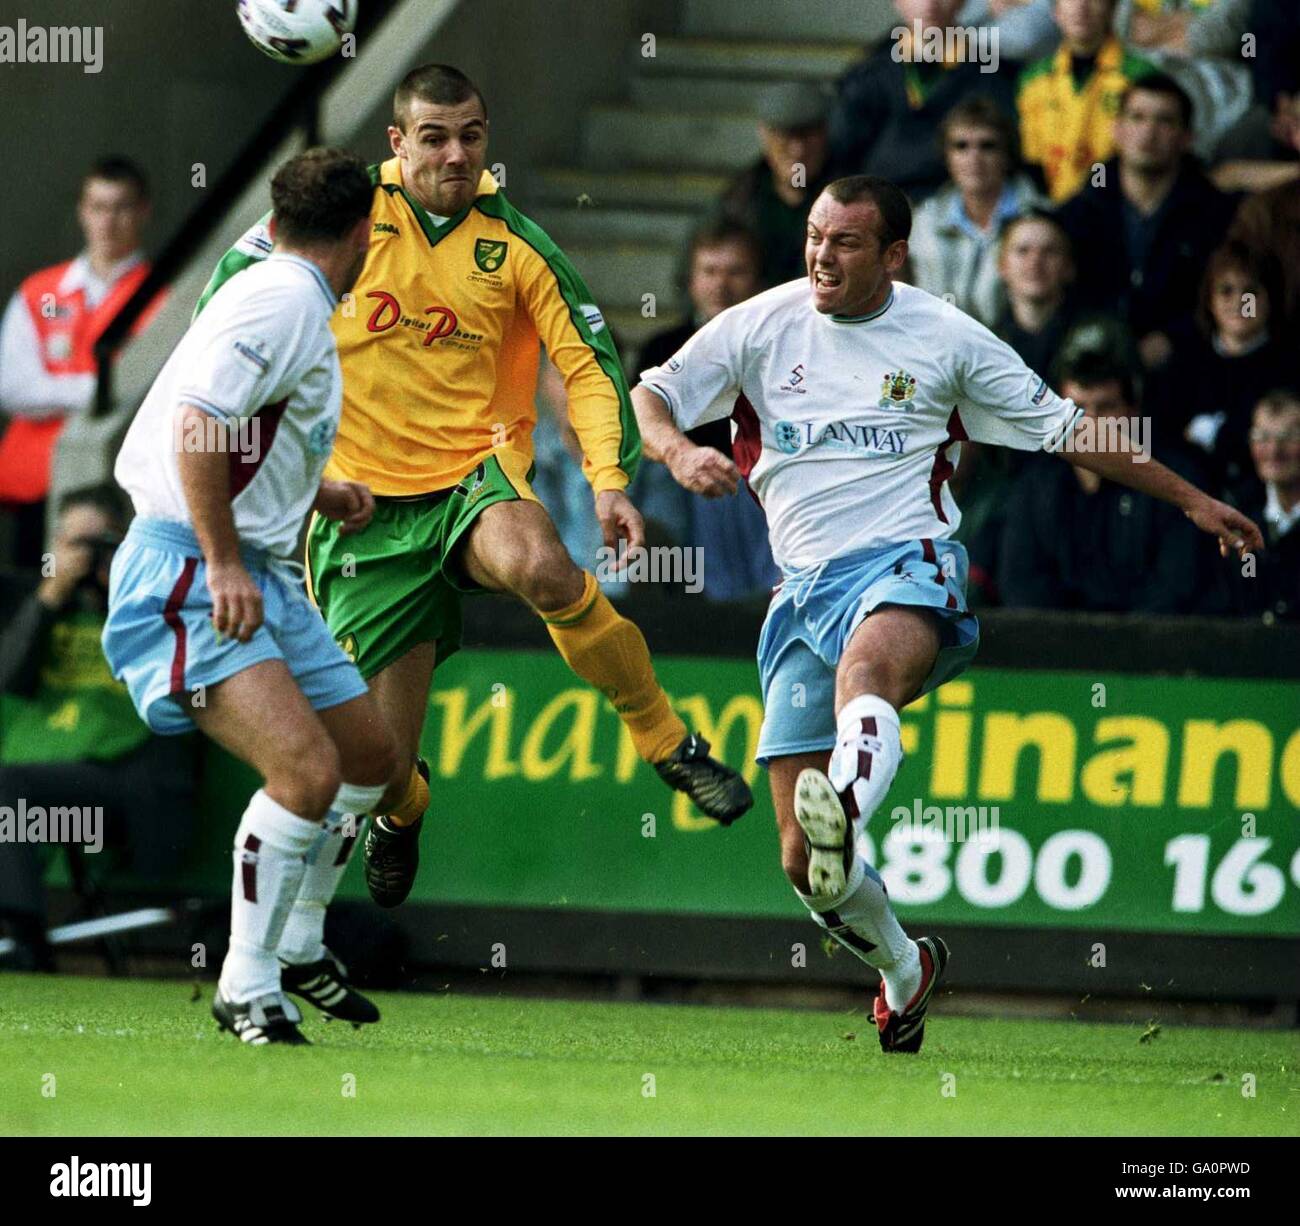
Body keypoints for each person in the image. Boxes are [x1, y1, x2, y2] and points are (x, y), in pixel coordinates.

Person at [629, 175, 1260, 1053]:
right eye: (815, 236)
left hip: (904, 563)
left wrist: (1191, 500)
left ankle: (845, 803)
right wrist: (674, 449)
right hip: (799, 591)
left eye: (846, 243)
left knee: (867, 673)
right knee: (801, 866)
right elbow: (650, 392)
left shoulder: (946, 337)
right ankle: (903, 967)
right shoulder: (762, 324)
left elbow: (1074, 429)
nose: (822, 256)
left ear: (894, 254)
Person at [198, 65, 753, 912]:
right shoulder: (342, 219)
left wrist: (608, 479)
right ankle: (406, 808)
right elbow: (230, 300)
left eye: (472, 136)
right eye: (434, 137)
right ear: (397, 142)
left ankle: (666, 740)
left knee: (544, 566)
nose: (457, 155)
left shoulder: (518, 243)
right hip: (361, 510)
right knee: (376, 767)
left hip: (474, 476)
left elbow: (590, 366)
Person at [103, 148, 401, 1045]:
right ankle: (244, 982)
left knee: (369, 758)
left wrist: (315, 492)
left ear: (276, 223)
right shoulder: (282, 301)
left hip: (256, 561)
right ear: (363, 235)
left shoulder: (285, 290)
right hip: (195, 568)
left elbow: (226, 432)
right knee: (304, 772)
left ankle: (300, 941)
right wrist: (223, 560)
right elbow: (196, 430)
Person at [0, 484, 197, 972]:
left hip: (122, 796)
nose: (85, 558)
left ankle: (27, 942)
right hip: (44, 800)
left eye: (98, 544)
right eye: (73, 544)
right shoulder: (37, 604)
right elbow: (9, 679)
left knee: (9, 788)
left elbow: (179, 686)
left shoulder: (155, 604)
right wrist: (51, 594)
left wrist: (124, 591)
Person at [0, 157, 160, 568]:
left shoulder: (164, 297)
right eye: (98, 208)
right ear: (82, 211)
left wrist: (54, 389)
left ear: (144, 211)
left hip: (119, 489)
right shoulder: (41, 290)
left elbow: (152, 394)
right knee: (29, 609)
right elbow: (12, 388)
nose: (108, 222)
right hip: (34, 487)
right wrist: (100, 388)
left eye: (121, 207)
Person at [998, 351, 1226, 612]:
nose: (1090, 423)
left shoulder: (1173, 481)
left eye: (1106, 408)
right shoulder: (1034, 486)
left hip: (1149, 645)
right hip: (1056, 646)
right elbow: (1021, 585)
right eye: (1077, 409)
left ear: (1133, 410)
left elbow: (1176, 586)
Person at [1055, 72, 1237, 370]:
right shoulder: (1081, 209)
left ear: (1186, 137)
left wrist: (1175, 339)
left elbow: (1228, 293)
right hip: (1091, 364)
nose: (1148, 132)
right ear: (1117, 130)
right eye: (1137, 118)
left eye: (1164, 121)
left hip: (1189, 366)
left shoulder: (1214, 213)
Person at [642, 222, 779, 602]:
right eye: (710, 271)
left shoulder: (781, 347)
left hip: (764, 479)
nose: (721, 285)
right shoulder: (663, 348)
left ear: (760, 281)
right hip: (687, 488)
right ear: (691, 281)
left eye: (736, 272)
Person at [829, 0, 1018, 201]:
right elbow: (839, 156)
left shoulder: (994, 74)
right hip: (880, 210)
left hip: (964, 211)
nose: (930, 4)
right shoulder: (866, 75)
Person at [1154, 241, 1291, 488]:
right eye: (1226, 291)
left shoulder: (1289, 366)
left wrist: (1218, 437)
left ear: (1270, 297)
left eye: (1249, 292)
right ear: (1210, 300)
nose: (1239, 301)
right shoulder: (1185, 365)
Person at [906, 95, 1045, 326]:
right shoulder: (923, 222)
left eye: (987, 146)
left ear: (1007, 153)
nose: (974, 158)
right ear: (946, 156)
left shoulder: (1040, 219)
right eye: (961, 146)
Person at [1017, 0, 1156, 203]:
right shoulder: (1032, 78)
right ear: (1056, 11)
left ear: (1112, 9)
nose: (1081, 6)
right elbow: (1032, 159)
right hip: (1051, 210)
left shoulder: (1141, 76)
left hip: (1117, 209)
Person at [715, 83, 837, 288]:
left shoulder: (852, 198)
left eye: (808, 137)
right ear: (764, 135)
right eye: (785, 137)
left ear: (824, 134)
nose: (798, 151)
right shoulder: (738, 201)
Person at [1225, 390, 1300, 621]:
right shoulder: (1239, 511)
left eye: (1289, 437)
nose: (1274, 451)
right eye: (1262, 438)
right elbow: (1241, 590)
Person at [992, 212, 1080, 374]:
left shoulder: (1099, 339)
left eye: (1049, 251)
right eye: (1023, 251)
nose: (1035, 262)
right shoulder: (986, 343)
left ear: (1068, 266)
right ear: (1002, 265)